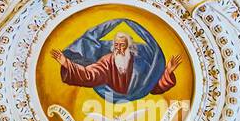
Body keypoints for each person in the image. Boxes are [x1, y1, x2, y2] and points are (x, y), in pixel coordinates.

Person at [51, 32, 181, 98]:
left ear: (129, 47)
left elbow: (152, 85)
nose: (119, 48)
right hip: (110, 98)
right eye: (117, 45)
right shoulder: (107, 61)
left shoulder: (140, 63)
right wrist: (67, 64)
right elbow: (90, 75)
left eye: (122, 45)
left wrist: (167, 72)